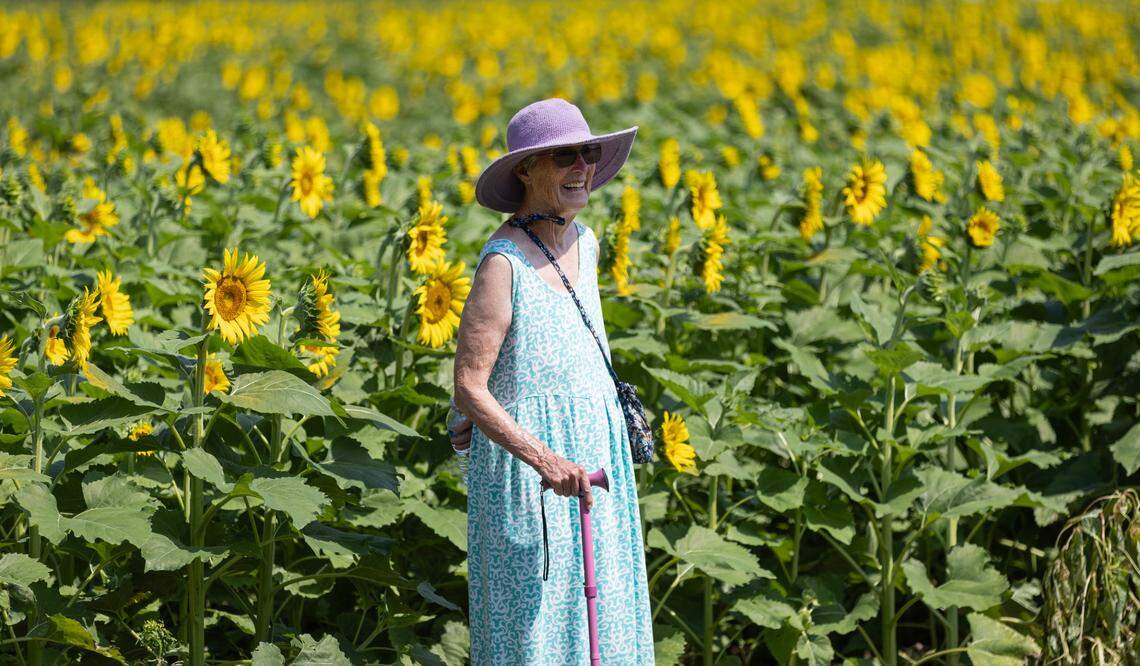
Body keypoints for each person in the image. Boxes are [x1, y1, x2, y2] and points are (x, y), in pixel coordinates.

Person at [450, 98, 655, 664]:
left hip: (596, 457)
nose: (582, 168)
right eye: (564, 156)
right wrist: (543, 460)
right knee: (534, 629)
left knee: (604, 615)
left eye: (587, 153)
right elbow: (469, 384)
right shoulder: (502, 264)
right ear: (526, 170)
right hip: (532, 473)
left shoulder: (586, 242)